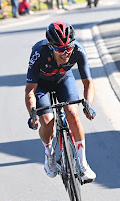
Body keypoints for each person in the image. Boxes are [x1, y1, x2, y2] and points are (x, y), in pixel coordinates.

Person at [25, 21, 97, 182]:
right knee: (47, 121)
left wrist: (88, 104)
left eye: (68, 48)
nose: (66, 53)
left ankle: (83, 163)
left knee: (72, 114)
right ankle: (49, 155)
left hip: (64, 80)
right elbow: (30, 90)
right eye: (60, 50)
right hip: (41, 85)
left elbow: (88, 83)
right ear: (51, 46)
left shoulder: (78, 49)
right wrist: (32, 114)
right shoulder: (39, 53)